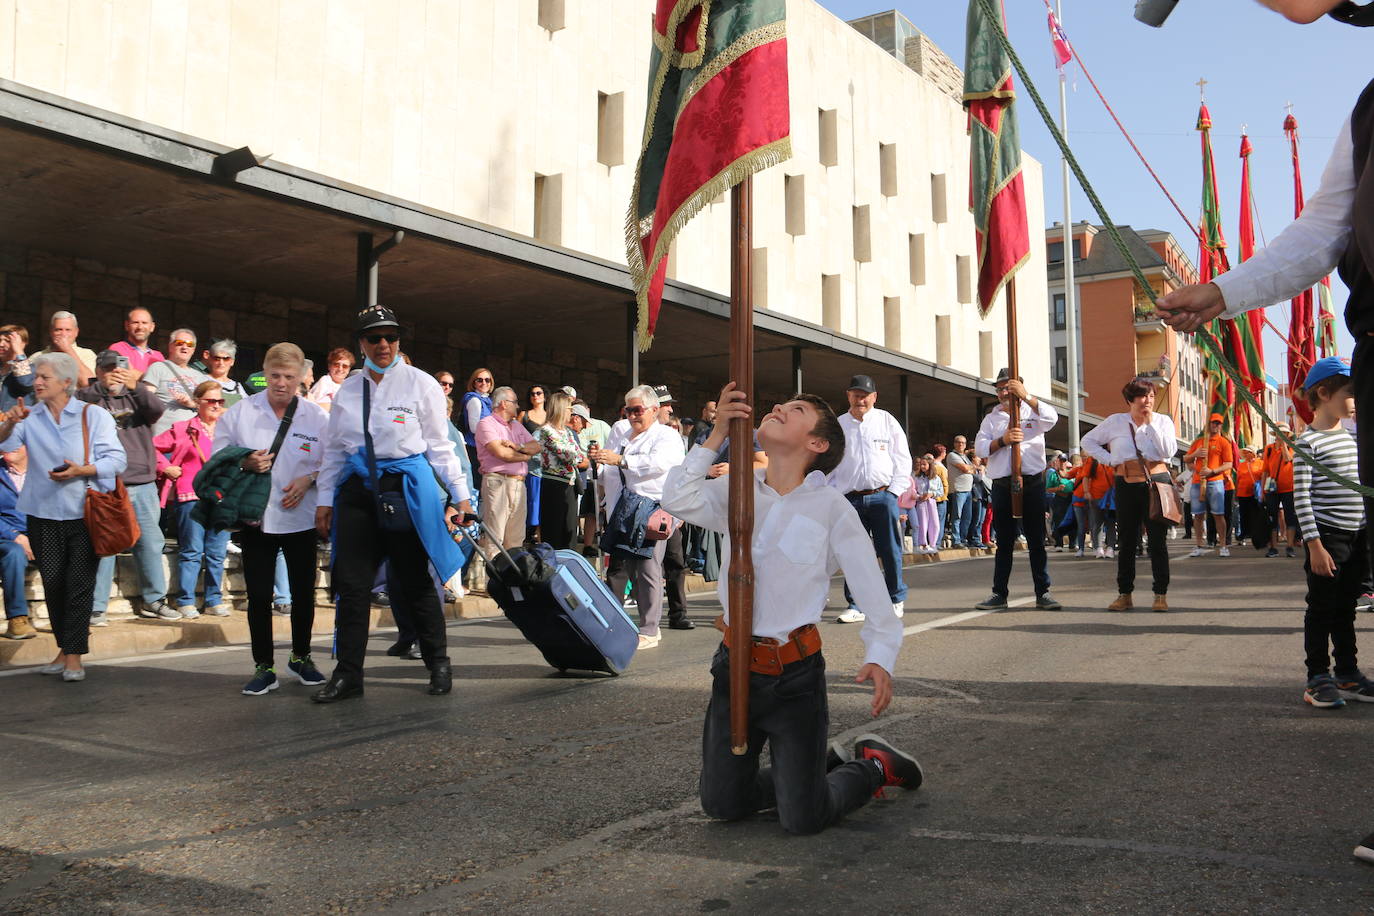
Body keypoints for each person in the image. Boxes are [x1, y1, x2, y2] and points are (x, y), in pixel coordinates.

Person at [660, 381, 920, 835]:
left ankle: (873, 768)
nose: (778, 406)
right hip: (735, 666)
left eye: (795, 409)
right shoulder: (736, 492)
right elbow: (677, 499)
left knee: (803, 819)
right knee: (722, 805)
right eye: (783, 403)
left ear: (817, 444)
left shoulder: (832, 508)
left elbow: (873, 589)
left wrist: (880, 656)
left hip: (794, 677)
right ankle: (815, 768)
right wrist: (717, 432)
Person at [313, 306, 473, 702]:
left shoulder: (421, 384)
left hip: (404, 489)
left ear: (399, 340)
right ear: (361, 344)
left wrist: (462, 494)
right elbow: (334, 449)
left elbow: (440, 445)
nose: (383, 344)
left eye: (390, 336)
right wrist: (323, 500)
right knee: (351, 587)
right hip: (356, 491)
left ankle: (438, 662)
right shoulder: (348, 388)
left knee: (415, 580)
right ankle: (348, 674)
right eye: (373, 337)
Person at [0, 353, 127, 680]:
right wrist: (10, 421)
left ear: (66, 383)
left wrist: (81, 470)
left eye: (44, 377)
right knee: (55, 585)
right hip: (41, 515)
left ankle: (74, 657)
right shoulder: (29, 416)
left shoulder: (93, 415)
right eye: (37, 376)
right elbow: (4, 443)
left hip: (85, 516)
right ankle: (64, 648)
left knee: (79, 584)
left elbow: (117, 461)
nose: (36, 382)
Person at [215, 344, 330, 696]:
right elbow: (217, 458)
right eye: (275, 376)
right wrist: (244, 462)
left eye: (289, 377)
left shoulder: (316, 417)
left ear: (302, 378)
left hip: (301, 517)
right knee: (260, 595)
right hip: (257, 519)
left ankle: (302, 656)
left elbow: (333, 463)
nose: (281, 384)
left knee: (303, 594)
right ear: (265, 373)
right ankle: (263, 666)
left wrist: (309, 479)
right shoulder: (241, 413)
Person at [1285, 356, 1372, 708]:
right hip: (1329, 538)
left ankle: (1348, 674)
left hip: (1358, 536)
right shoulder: (1308, 444)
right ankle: (1317, 677)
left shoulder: (1354, 438)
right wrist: (1315, 545)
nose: (1356, 400)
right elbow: (1301, 500)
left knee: (1346, 608)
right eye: (1351, 393)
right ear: (1323, 393)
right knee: (1321, 608)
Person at [77, 350, 172, 622]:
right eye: (107, 369)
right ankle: (97, 606)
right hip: (106, 481)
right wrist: (100, 387)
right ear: (99, 370)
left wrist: (134, 385)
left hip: (141, 481)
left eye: (118, 368)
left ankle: (154, 601)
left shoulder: (136, 394)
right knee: (106, 543)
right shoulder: (89, 396)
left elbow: (157, 410)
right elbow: (78, 407)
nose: (114, 373)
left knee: (150, 542)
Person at [592, 384, 686, 649]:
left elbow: (658, 464)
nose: (632, 415)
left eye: (638, 410)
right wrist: (600, 463)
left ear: (655, 410)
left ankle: (650, 628)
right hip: (624, 509)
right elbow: (610, 472)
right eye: (628, 410)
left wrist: (620, 460)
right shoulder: (622, 433)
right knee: (626, 568)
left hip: (652, 509)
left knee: (648, 569)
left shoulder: (667, 436)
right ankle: (627, 624)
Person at [1080, 378, 1178, 612]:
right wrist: (1110, 460)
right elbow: (1088, 441)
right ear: (1130, 399)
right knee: (1126, 541)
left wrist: (1151, 423)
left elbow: (1168, 451)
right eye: (1143, 396)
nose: (1148, 401)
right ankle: (1125, 594)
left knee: (1157, 542)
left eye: (1152, 396)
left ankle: (1160, 595)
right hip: (1125, 483)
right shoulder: (1116, 421)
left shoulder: (1163, 421)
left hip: (1156, 483)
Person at [973, 369, 1062, 610]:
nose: (1004, 392)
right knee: (1004, 541)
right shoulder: (991, 419)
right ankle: (999, 593)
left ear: (1018, 387)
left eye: (1008, 387)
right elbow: (980, 449)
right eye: (1000, 388)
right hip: (1002, 484)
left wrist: (1027, 397)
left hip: (1032, 481)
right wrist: (1002, 440)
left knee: (1035, 540)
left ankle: (1043, 592)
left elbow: (1052, 418)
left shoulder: (1033, 411)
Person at [827, 375, 912, 623]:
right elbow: (830, 464)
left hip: (882, 496)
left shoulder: (886, 421)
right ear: (848, 395)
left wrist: (893, 492)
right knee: (853, 553)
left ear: (874, 397)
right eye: (855, 394)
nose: (860, 399)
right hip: (850, 499)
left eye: (865, 395)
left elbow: (902, 458)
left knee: (890, 550)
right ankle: (856, 604)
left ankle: (895, 598)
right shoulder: (839, 425)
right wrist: (835, 494)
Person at [154, 380, 231, 619]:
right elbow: (151, 447)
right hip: (191, 496)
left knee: (217, 553)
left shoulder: (229, 430)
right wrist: (166, 467)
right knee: (192, 550)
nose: (216, 405)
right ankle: (185, 600)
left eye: (220, 401)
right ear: (198, 402)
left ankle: (213, 599)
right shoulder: (182, 428)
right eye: (211, 401)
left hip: (222, 498)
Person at [475, 386, 541, 551]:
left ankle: (510, 576)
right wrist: (525, 456)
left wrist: (518, 446)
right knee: (495, 537)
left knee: (516, 538)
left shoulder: (517, 426)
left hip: (519, 484)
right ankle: (494, 577)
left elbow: (536, 446)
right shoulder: (486, 424)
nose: (518, 406)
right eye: (515, 402)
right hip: (497, 481)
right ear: (504, 403)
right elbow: (501, 453)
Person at [534, 391, 587, 550]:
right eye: (569, 408)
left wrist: (579, 458)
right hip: (553, 485)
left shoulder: (568, 432)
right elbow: (569, 455)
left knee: (569, 530)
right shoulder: (546, 431)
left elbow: (579, 455)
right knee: (554, 530)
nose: (571, 412)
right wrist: (578, 458)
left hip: (569, 485)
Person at [1182, 414, 1234, 558]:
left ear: (1221, 425)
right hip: (1197, 482)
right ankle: (1199, 544)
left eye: (1218, 423)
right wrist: (1196, 454)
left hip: (1215, 482)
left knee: (1218, 515)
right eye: (1213, 423)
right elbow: (1185, 458)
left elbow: (1229, 463)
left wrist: (1213, 471)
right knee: (1198, 515)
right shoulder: (1199, 441)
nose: (1216, 426)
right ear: (1208, 424)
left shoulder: (1224, 442)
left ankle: (1223, 545)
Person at [143, 328, 210, 435]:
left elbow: (208, 408)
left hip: (193, 439)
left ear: (193, 350)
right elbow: (145, 400)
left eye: (189, 344)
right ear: (170, 346)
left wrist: (192, 404)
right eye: (179, 343)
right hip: (164, 438)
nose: (184, 347)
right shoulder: (158, 368)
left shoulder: (201, 377)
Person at [0, 444, 35, 639]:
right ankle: (17, 619)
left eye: (14, 441)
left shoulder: (43, 472)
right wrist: (15, 535)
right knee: (13, 552)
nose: (5, 445)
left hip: (39, 533)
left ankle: (71, 618)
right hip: (5, 537)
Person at [1262, 425, 1299, 558]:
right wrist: (1262, 490)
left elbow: (1288, 459)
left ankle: (1289, 547)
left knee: (1290, 517)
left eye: (1283, 433)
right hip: (1272, 488)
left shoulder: (1292, 446)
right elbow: (1265, 470)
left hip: (1289, 489)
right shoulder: (1269, 449)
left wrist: (1283, 445)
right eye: (1279, 432)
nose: (1280, 434)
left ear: (1287, 435)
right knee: (1272, 518)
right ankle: (1273, 548)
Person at [32, 311, 96, 386]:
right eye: (58, 330)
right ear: (50, 331)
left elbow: (88, 384)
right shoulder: (37, 357)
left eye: (68, 330)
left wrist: (68, 350)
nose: (63, 334)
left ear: (76, 332)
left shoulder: (87, 355)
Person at [519, 385, 549, 541]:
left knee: (543, 501)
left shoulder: (550, 416)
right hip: (529, 464)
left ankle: (539, 534)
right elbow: (515, 434)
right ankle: (528, 532)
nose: (535, 396)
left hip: (546, 465)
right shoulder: (524, 415)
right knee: (531, 499)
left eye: (539, 393)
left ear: (545, 396)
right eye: (532, 394)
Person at [459, 368, 495, 489]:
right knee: (476, 486)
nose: (484, 383)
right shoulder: (474, 400)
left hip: (483, 448)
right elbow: (475, 428)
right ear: (474, 382)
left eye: (487, 380)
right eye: (480, 380)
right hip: (475, 448)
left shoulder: (488, 401)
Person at [107, 307, 164, 378]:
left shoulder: (158, 356)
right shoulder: (117, 349)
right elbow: (124, 373)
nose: (140, 327)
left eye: (144, 323)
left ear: (152, 327)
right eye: (135, 322)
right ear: (127, 325)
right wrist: (154, 379)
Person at [902, 455, 941, 554]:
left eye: (924, 464)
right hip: (921, 502)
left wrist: (932, 494)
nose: (922, 466)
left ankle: (933, 544)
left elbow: (941, 491)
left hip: (932, 502)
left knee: (935, 524)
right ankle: (923, 544)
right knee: (922, 524)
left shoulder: (936, 478)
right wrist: (920, 496)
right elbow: (913, 490)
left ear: (930, 465)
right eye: (921, 464)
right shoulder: (917, 477)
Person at [945, 435, 975, 547]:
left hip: (968, 490)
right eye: (958, 442)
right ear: (954, 443)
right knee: (957, 516)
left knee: (967, 517)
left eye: (963, 442)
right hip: (959, 490)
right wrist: (971, 468)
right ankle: (956, 540)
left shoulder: (965, 457)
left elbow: (973, 468)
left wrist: (972, 468)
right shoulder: (952, 455)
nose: (960, 444)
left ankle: (962, 539)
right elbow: (966, 468)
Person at [1236, 445, 1265, 548]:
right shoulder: (1241, 465)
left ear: (1253, 453)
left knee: (1256, 515)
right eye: (1245, 452)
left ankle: (1256, 535)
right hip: (1242, 493)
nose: (1246, 454)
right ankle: (1243, 534)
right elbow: (1238, 479)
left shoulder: (1261, 463)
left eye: (1248, 452)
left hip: (1255, 494)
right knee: (1243, 515)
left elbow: (1263, 477)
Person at [203, 339, 246, 407]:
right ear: (210, 359)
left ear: (232, 362)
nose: (221, 363)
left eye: (226, 359)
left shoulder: (238, 387)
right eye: (217, 358)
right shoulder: (201, 380)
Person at [0, 324, 34, 412]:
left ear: (22, 344)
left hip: (17, 422)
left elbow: (26, 382)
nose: (1, 344)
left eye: (8, 341)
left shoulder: (31, 368)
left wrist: (18, 351)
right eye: (0, 340)